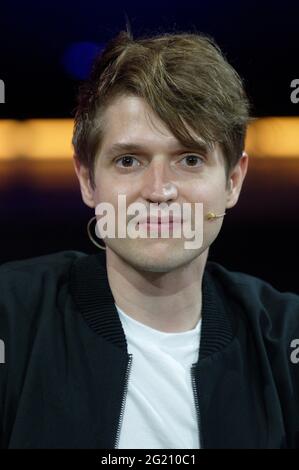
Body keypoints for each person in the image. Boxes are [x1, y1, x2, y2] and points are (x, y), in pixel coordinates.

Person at [0, 28, 299, 450]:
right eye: (128, 160)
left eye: (190, 159)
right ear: (87, 180)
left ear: (233, 181)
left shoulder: (286, 339)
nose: (159, 191)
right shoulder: (10, 318)